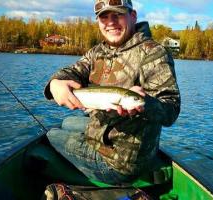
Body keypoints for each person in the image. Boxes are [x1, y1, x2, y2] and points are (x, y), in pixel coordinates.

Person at [44, 0, 180, 185]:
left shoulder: (154, 53)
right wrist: (55, 83)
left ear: (133, 16)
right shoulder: (98, 51)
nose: (110, 22)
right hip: (104, 131)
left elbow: (171, 109)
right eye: (104, 17)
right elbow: (73, 71)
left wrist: (144, 103)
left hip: (120, 161)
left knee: (51, 135)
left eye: (117, 15)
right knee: (67, 122)